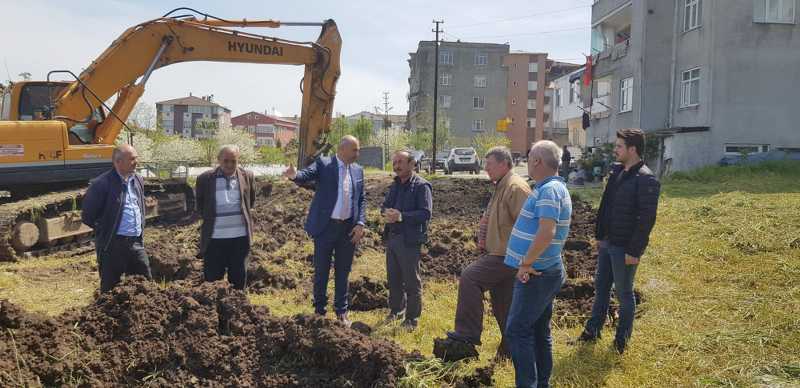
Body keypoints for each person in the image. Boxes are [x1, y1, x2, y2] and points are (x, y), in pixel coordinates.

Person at [437, 146, 532, 360]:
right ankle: (510, 350)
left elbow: (529, 225)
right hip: (500, 253)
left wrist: (525, 262)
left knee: (470, 277)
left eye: (489, 164)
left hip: (507, 256)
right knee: (503, 306)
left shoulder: (516, 188)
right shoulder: (502, 185)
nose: (485, 168)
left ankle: (467, 333)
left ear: (504, 164)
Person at [573, 128, 661, 354]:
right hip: (608, 243)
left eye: (619, 146)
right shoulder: (618, 172)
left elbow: (646, 220)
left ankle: (621, 342)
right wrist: (601, 236)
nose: (615, 150)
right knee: (601, 288)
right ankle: (592, 332)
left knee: (624, 293)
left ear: (632, 150)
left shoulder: (646, 178)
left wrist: (635, 251)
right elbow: (606, 207)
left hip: (625, 248)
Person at [504, 140, 572, 388]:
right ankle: (542, 383)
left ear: (538, 162)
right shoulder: (550, 187)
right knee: (538, 331)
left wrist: (526, 263)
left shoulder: (549, 190)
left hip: (537, 273)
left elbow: (547, 232)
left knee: (517, 331)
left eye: (529, 157)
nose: (527, 162)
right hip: (543, 271)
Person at [283, 136, 366, 327]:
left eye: (357, 150)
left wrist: (360, 223)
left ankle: (341, 311)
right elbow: (306, 175)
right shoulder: (325, 163)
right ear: (342, 149)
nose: (357, 154)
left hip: (348, 229)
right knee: (321, 271)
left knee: (343, 272)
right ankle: (320, 310)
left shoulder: (358, 170)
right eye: (354, 150)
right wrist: (294, 174)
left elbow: (361, 199)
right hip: (325, 228)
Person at [81, 144, 151, 292]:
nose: (136, 162)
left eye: (136, 158)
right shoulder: (101, 184)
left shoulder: (137, 179)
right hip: (113, 246)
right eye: (132, 159)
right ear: (118, 162)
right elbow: (87, 216)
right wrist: (104, 229)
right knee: (110, 288)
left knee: (144, 284)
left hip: (136, 242)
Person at [381, 150, 432, 330]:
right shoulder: (395, 185)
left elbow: (425, 213)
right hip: (393, 237)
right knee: (393, 278)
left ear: (412, 163)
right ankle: (396, 310)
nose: (397, 166)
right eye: (394, 162)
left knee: (411, 280)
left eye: (401, 161)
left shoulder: (421, 186)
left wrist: (402, 216)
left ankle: (412, 318)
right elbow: (385, 206)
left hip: (410, 240)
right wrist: (386, 212)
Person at [195, 145, 257, 290]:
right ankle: (211, 311)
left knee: (238, 280)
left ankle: (237, 310)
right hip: (214, 240)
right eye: (226, 161)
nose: (230, 165)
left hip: (240, 240)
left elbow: (250, 202)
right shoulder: (205, 179)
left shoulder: (247, 177)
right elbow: (201, 205)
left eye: (233, 161)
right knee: (212, 281)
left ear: (238, 160)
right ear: (218, 160)